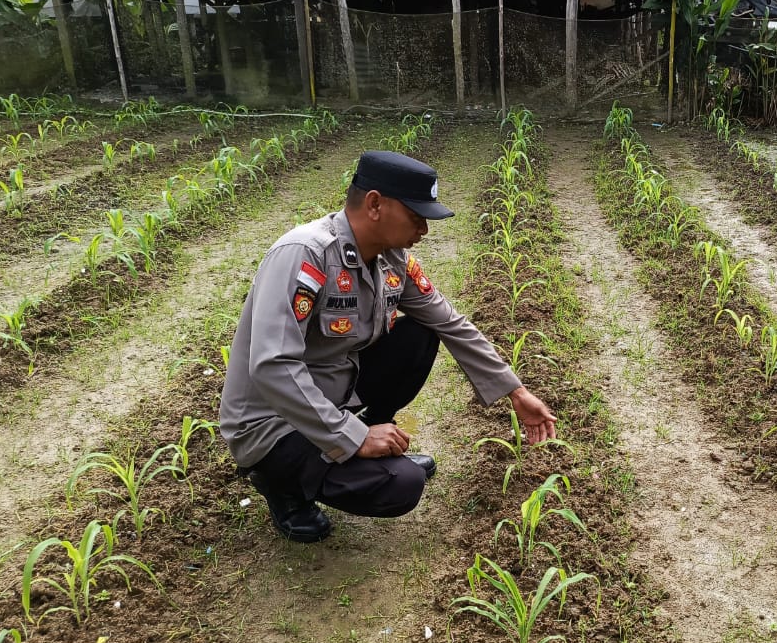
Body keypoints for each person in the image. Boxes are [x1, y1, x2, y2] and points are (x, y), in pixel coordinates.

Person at [219, 149, 557, 543]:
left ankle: (365, 437)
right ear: (375, 204)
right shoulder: (304, 256)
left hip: (331, 393)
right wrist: (353, 437)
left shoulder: (391, 259)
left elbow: (450, 322)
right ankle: (283, 489)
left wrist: (516, 392)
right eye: (417, 217)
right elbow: (273, 366)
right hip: (272, 422)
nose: (424, 230)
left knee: (419, 335)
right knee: (401, 484)